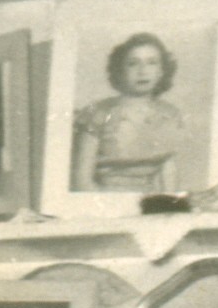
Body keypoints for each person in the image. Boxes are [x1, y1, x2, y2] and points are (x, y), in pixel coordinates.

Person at [72, 32, 184, 196]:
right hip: (102, 201)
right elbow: (82, 182)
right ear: (120, 70)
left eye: (152, 63)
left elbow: (168, 173)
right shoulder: (97, 112)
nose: (143, 71)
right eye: (133, 64)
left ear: (161, 71)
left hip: (148, 203)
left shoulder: (170, 114)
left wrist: (167, 204)